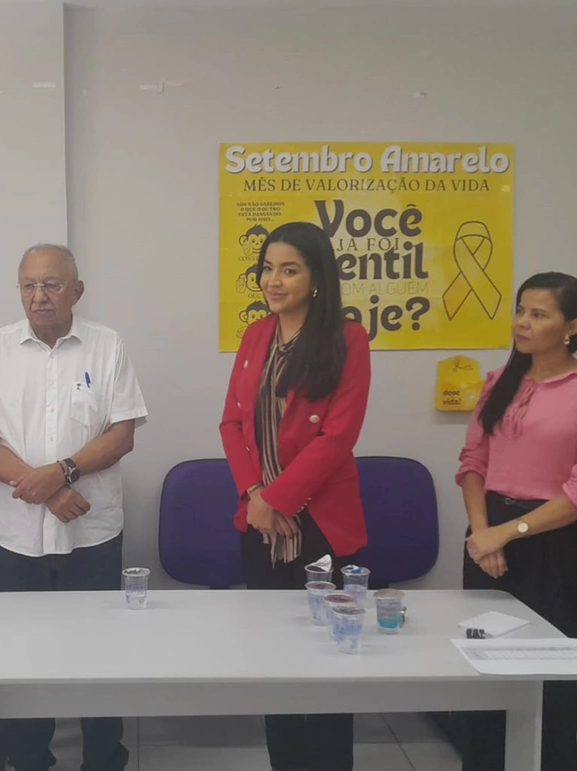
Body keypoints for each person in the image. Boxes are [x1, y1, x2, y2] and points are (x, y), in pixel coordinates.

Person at [0, 244, 147, 771]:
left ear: (76, 291)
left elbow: (122, 434)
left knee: (99, 655)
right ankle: (22, 758)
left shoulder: (108, 346)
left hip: (93, 530)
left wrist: (63, 472)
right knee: (21, 654)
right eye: (28, 286)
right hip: (16, 532)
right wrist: (45, 488)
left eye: (51, 285)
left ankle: (104, 760)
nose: (39, 297)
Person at [457, 272, 577, 771]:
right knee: (485, 689)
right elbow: (473, 464)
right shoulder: (499, 383)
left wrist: (506, 533)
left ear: (573, 326)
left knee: (551, 698)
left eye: (539, 314)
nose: (523, 323)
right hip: (488, 548)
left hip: (558, 552)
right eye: (520, 311)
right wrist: (482, 533)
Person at [219, 221, 372, 771]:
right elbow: (231, 424)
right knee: (274, 663)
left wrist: (281, 499)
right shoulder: (255, 335)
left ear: (316, 278)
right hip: (259, 523)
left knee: (330, 663)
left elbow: (339, 436)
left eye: (289, 269)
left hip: (322, 524)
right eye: (267, 268)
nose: (273, 280)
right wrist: (256, 496)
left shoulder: (346, 339)